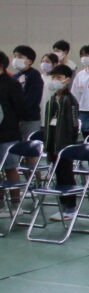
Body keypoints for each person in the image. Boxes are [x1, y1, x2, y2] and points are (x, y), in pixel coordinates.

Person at [43, 65, 81, 221]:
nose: (55, 80)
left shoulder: (69, 100)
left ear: (67, 80)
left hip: (64, 145)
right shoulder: (52, 99)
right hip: (53, 144)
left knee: (66, 174)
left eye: (59, 78)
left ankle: (70, 206)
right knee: (58, 175)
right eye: (53, 77)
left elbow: (73, 125)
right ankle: (63, 205)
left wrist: (68, 146)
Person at [0, 52, 26, 204]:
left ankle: (16, 202)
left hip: (8, 133)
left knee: (10, 167)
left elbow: (20, 108)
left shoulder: (11, 83)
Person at [11, 46, 43, 140]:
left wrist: (19, 111)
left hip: (30, 118)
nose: (16, 59)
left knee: (29, 143)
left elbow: (33, 98)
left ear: (29, 61)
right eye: (15, 56)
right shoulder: (14, 77)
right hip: (16, 119)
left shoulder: (34, 75)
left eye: (20, 57)